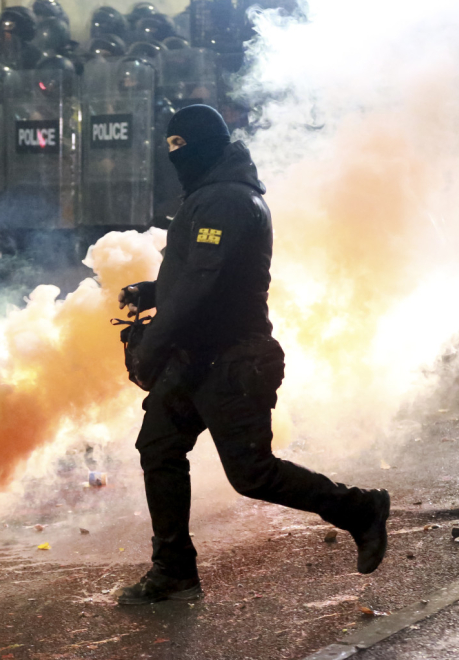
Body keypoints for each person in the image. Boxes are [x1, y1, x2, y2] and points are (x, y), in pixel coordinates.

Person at [115, 105, 390, 605]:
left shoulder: (225, 201)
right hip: (197, 358)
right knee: (158, 448)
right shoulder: (211, 194)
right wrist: (153, 292)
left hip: (231, 362)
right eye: (170, 147)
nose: (174, 156)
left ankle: (359, 509)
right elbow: (201, 275)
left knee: (253, 475)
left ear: (203, 145)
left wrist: (150, 351)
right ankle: (174, 569)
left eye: (180, 147)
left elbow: (202, 285)